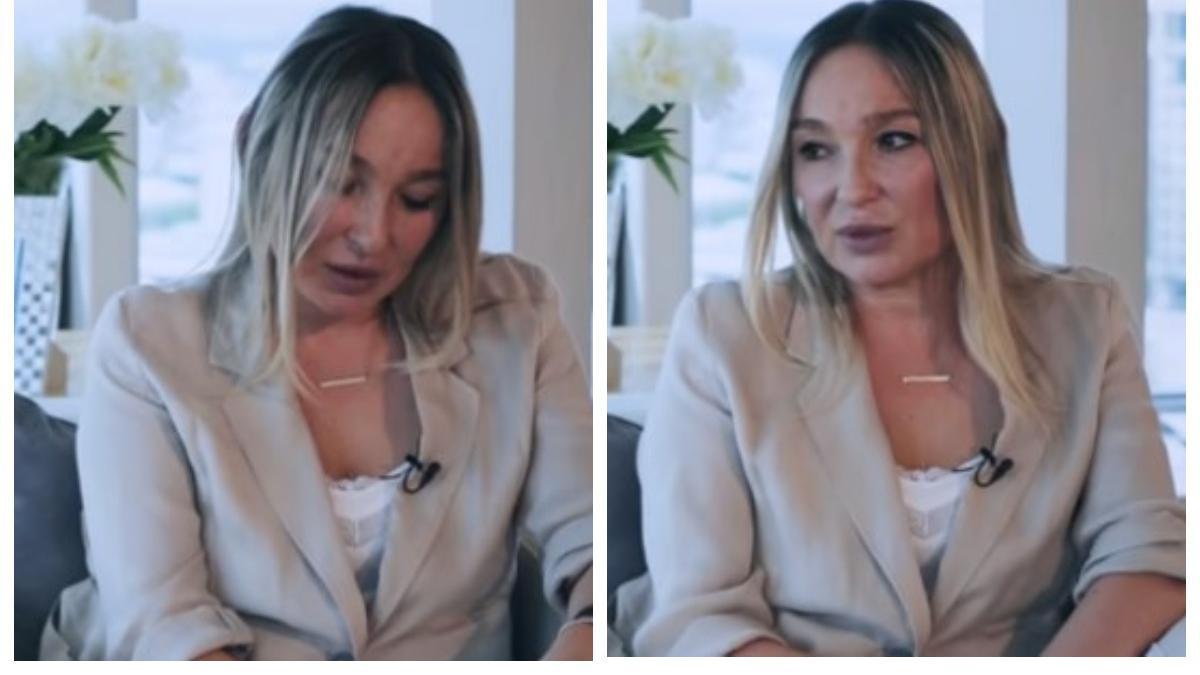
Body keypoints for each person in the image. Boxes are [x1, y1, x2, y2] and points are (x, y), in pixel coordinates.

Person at [615, 0, 1184, 657]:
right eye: (815, 150)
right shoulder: (724, 335)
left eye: (893, 141)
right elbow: (698, 616)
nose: (851, 188)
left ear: (971, 149)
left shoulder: (1084, 322)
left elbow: (1144, 552)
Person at [41, 7, 592, 660]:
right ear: (255, 146)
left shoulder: (517, 318)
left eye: (416, 199)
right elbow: (163, 624)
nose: (372, 235)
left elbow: (592, 539)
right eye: (339, 182)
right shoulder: (148, 344)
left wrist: (584, 635)